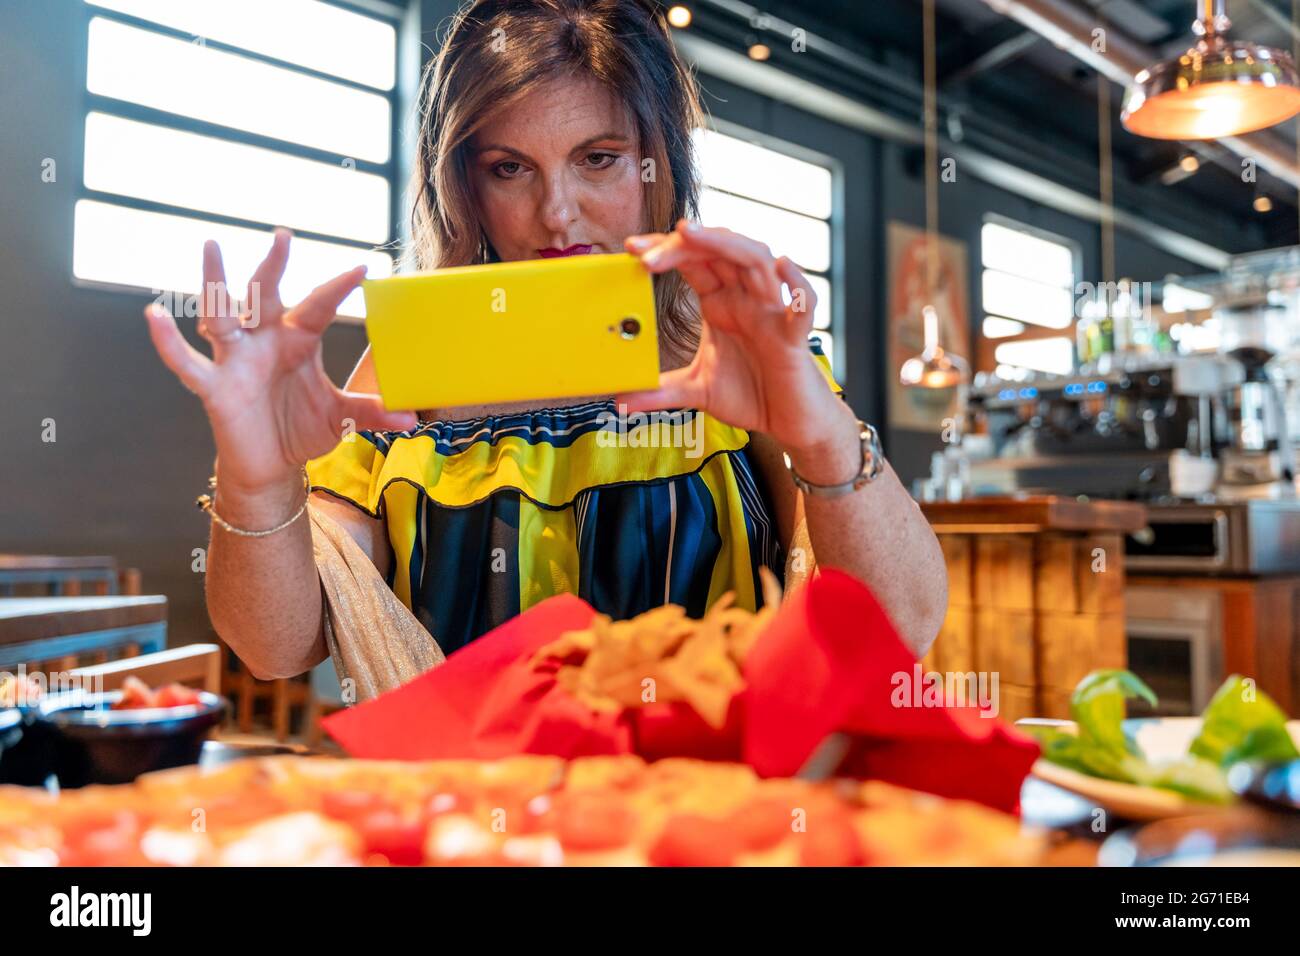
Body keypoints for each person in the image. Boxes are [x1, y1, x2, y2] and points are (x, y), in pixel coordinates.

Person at [143, 0, 947, 683]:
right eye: (509, 168)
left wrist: (822, 436)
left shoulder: (734, 343)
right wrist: (256, 478)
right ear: (463, 184)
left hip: (714, 818)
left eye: (597, 159)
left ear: (655, 164)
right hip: (474, 823)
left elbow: (899, 633)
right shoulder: (411, 358)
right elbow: (279, 647)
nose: (556, 212)